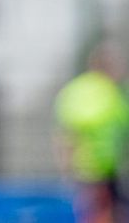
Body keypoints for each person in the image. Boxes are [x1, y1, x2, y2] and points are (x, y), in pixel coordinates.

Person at [55, 41, 129, 223]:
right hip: (97, 169)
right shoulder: (110, 93)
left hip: (92, 169)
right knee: (102, 213)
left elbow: (65, 133)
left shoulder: (76, 91)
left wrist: (65, 166)